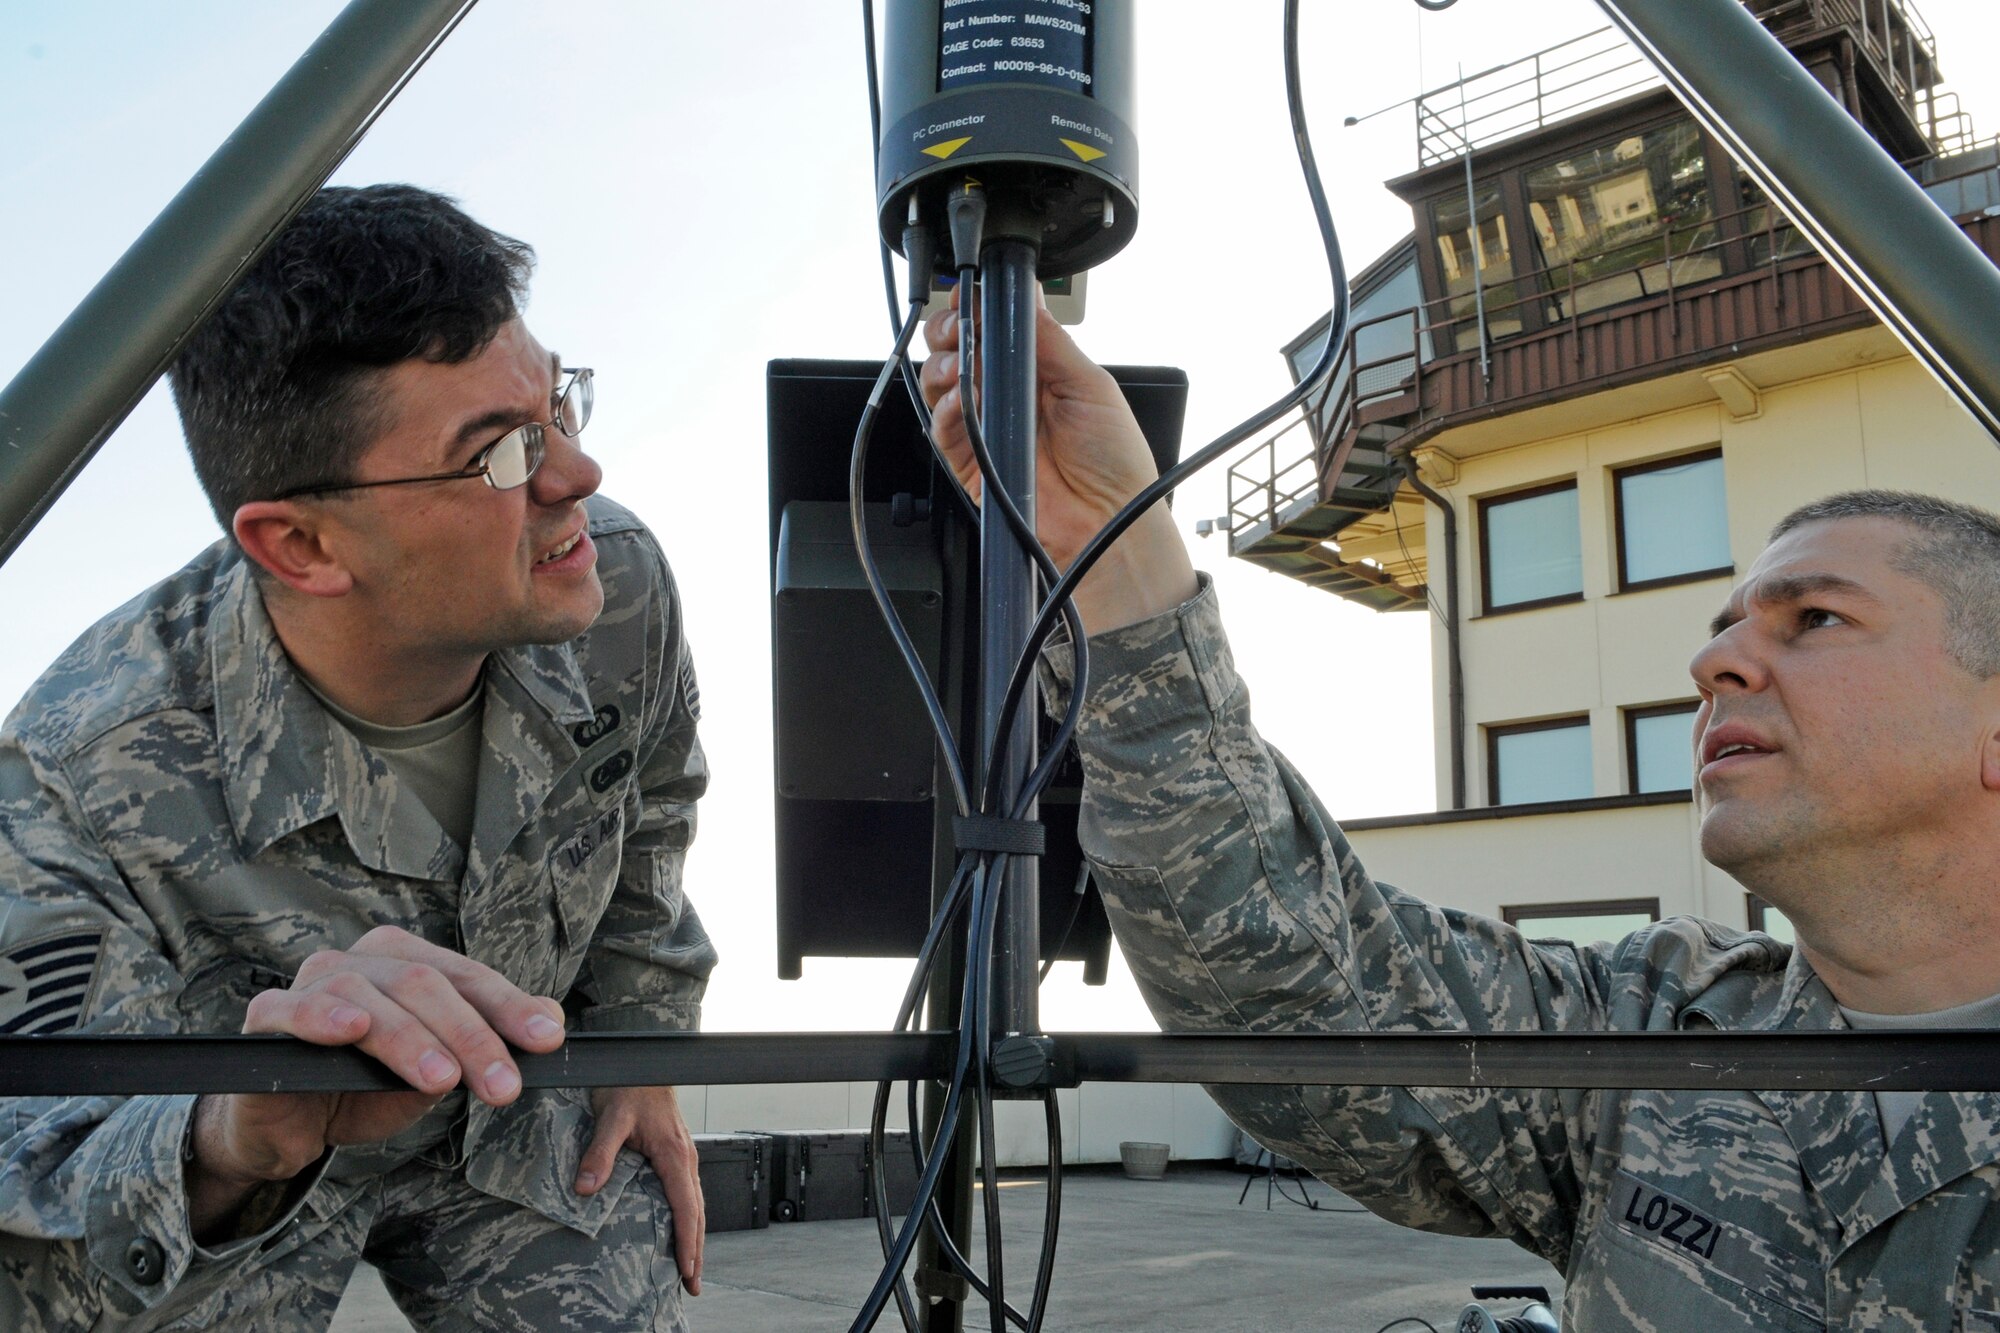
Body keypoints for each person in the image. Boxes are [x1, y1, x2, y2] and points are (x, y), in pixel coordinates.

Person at [921, 301, 2000, 1330]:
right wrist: (1115, 559)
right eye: (1722, 630)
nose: (1711, 661)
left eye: (1813, 618)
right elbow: (1293, 991)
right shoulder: (1653, 1028)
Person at [0, 185, 715, 1331]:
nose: (574, 475)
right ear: (303, 543)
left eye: (559, 403)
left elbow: (655, 800)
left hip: (508, 1116)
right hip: (249, 1179)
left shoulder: (606, 580)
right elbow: (40, 1177)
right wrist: (234, 1140)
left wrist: (639, 1040)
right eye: (498, 456)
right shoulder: (82, 777)